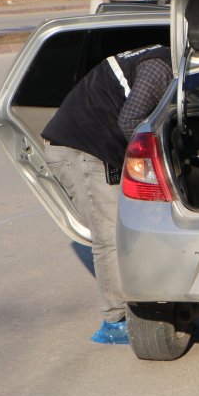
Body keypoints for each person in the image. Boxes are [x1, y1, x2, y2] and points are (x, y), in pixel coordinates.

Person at [41, 44, 173, 344]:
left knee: (129, 233)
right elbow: (131, 120)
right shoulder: (160, 66)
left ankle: (141, 305)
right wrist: (158, 169)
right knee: (111, 236)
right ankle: (115, 320)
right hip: (80, 150)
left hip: (96, 149)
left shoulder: (156, 61)